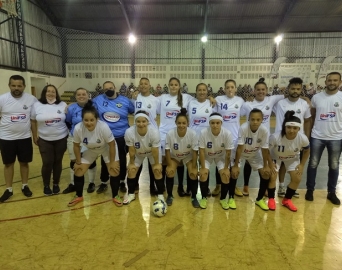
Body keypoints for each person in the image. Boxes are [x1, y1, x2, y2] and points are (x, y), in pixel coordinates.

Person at [68, 100, 120, 207]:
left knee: (113, 170)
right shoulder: (78, 128)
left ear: (97, 119)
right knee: (78, 170)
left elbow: (112, 144)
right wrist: (78, 162)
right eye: (86, 120)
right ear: (82, 120)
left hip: (106, 148)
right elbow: (76, 146)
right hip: (91, 150)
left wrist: (113, 161)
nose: (89, 123)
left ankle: (115, 195)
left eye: (92, 120)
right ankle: (79, 195)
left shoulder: (103, 127)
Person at [92, 81, 135, 202]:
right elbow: (85, 105)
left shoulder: (125, 101)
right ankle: (104, 181)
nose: (108, 90)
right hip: (105, 136)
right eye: (106, 89)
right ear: (103, 91)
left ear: (115, 88)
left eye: (110, 88)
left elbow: (134, 110)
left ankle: (122, 181)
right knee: (105, 159)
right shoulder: (98, 100)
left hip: (121, 135)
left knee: (121, 159)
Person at [240, 79, 284, 196]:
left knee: (264, 162)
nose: (261, 91)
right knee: (249, 162)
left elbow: (287, 95)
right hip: (251, 138)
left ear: (266, 91)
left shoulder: (271, 99)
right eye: (258, 90)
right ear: (254, 91)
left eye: (263, 89)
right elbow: (237, 114)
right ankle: (246, 185)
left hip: (266, 139)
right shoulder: (248, 104)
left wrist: (304, 98)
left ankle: (263, 187)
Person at [306, 72, 342, 205]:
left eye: (335, 80)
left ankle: (331, 192)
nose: (332, 82)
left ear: (340, 82)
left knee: (334, 165)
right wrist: (309, 135)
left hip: (337, 137)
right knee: (313, 164)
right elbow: (312, 116)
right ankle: (310, 190)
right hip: (317, 136)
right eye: (330, 80)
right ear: (325, 82)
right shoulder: (316, 97)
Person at [0, 75, 37, 202]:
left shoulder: (32, 99)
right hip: (6, 138)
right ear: (9, 85)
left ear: (24, 86)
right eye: (13, 85)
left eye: (19, 86)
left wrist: (35, 136)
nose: (16, 88)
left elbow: (33, 120)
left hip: (24, 138)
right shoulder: (2, 99)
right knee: (8, 163)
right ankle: (8, 189)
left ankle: (24, 185)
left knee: (24, 163)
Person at [273, 77, 311, 197]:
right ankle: (281, 186)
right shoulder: (280, 103)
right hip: (281, 139)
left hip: (297, 140)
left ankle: (291, 188)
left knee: (293, 162)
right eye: (293, 88)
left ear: (301, 90)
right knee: (282, 164)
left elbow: (308, 120)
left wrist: (307, 136)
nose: (295, 91)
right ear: (288, 89)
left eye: (298, 89)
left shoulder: (304, 104)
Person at [158, 77, 195, 196]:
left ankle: (180, 187)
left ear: (179, 86)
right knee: (165, 160)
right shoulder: (163, 98)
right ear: (168, 86)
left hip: (180, 133)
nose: (173, 86)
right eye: (171, 84)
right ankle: (163, 186)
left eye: (176, 84)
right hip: (164, 133)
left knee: (180, 160)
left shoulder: (186, 98)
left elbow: (200, 100)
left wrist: (211, 98)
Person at [213, 79, 245, 207]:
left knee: (234, 163)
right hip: (222, 137)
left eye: (232, 87)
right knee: (219, 162)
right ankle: (218, 186)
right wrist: (211, 98)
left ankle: (234, 186)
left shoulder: (240, 101)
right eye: (227, 87)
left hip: (236, 136)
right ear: (224, 89)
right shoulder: (219, 100)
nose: (230, 89)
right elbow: (212, 109)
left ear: (235, 89)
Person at [269, 111, 310, 211]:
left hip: (292, 158)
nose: (291, 130)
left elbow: (307, 150)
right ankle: (271, 199)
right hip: (276, 157)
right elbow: (266, 151)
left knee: (297, 178)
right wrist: (270, 163)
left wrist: (301, 165)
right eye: (289, 127)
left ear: (299, 128)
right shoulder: (275, 137)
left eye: (295, 128)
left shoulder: (303, 138)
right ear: (285, 127)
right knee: (272, 175)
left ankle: (287, 200)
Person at [31, 85, 68, 195]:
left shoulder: (63, 105)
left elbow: (68, 119)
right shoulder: (37, 105)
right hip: (44, 139)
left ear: (56, 93)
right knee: (47, 162)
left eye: (53, 91)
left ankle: (56, 183)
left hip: (61, 138)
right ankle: (46, 185)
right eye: (48, 91)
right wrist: (34, 135)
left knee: (58, 161)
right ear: (44, 93)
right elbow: (33, 121)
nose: (51, 93)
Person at [231, 109, 271, 211]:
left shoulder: (264, 130)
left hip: (253, 153)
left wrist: (266, 166)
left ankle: (259, 199)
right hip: (240, 152)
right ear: (249, 119)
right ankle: (231, 198)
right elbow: (240, 148)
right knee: (234, 173)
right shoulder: (244, 127)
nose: (255, 122)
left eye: (258, 119)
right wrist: (236, 165)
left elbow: (265, 149)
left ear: (262, 120)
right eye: (253, 119)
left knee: (266, 174)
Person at [62, 88, 97, 194]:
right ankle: (73, 183)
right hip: (74, 138)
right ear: (75, 96)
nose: (81, 96)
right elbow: (68, 121)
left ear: (88, 96)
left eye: (83, 94)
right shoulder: (71, 108)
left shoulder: (93, 107)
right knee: (74, 160)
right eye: (78, 95)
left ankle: (91, 182)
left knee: (90, 160)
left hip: (90, 138)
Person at [124, 111, 163, 204]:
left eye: (143, 121)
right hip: (138, 153)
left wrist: (157, 164)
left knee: (157, 171)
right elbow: (132, 149)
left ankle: (161, 195)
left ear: (148, 122)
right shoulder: (129, 132)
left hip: (151, 153)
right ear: (134, 122)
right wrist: (131, 163)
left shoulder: (154, 132)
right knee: (131, 170)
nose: (141, 124)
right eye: (138, 121)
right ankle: (131, 194)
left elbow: (155, 150)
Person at [198, 113, 234, 209]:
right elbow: (201, 151)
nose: (215, 125)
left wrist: (226, 168)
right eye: (212, 123)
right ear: (209, 123)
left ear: (221, 123)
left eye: (218, 123)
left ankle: (222, 199)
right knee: (203, 174)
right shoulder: (203, 133)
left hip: (220, 156)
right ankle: (204, 198)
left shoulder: (227, 134)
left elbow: (228, 153)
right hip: (207, 155)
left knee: (225, 175)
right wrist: (202, 167)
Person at [132, 77, 161, 194]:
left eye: (146, 84)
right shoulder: (135, 98)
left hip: (152, 134)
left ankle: (152, 187)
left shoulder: (156, 100)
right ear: (139, 86)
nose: (143, 85)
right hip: (137, 133)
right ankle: (135, 185)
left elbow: (159, 113)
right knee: (137, 158)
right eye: (141, 84)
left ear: (150, 86)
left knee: (152, 161)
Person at [165, 108, 198, 206]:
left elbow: (195, 152)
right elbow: (167, 150)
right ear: (175, 123)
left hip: (188, 156)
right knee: (170, 172)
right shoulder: (170, 133)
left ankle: (194, 197)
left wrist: (194, 166)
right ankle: (170, 195)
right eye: (179, 123)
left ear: (188, 123)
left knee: (193, 173)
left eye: (184, 123)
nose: (181, 125)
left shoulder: (193, 134)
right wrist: (169, 165)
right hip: (175, 156)